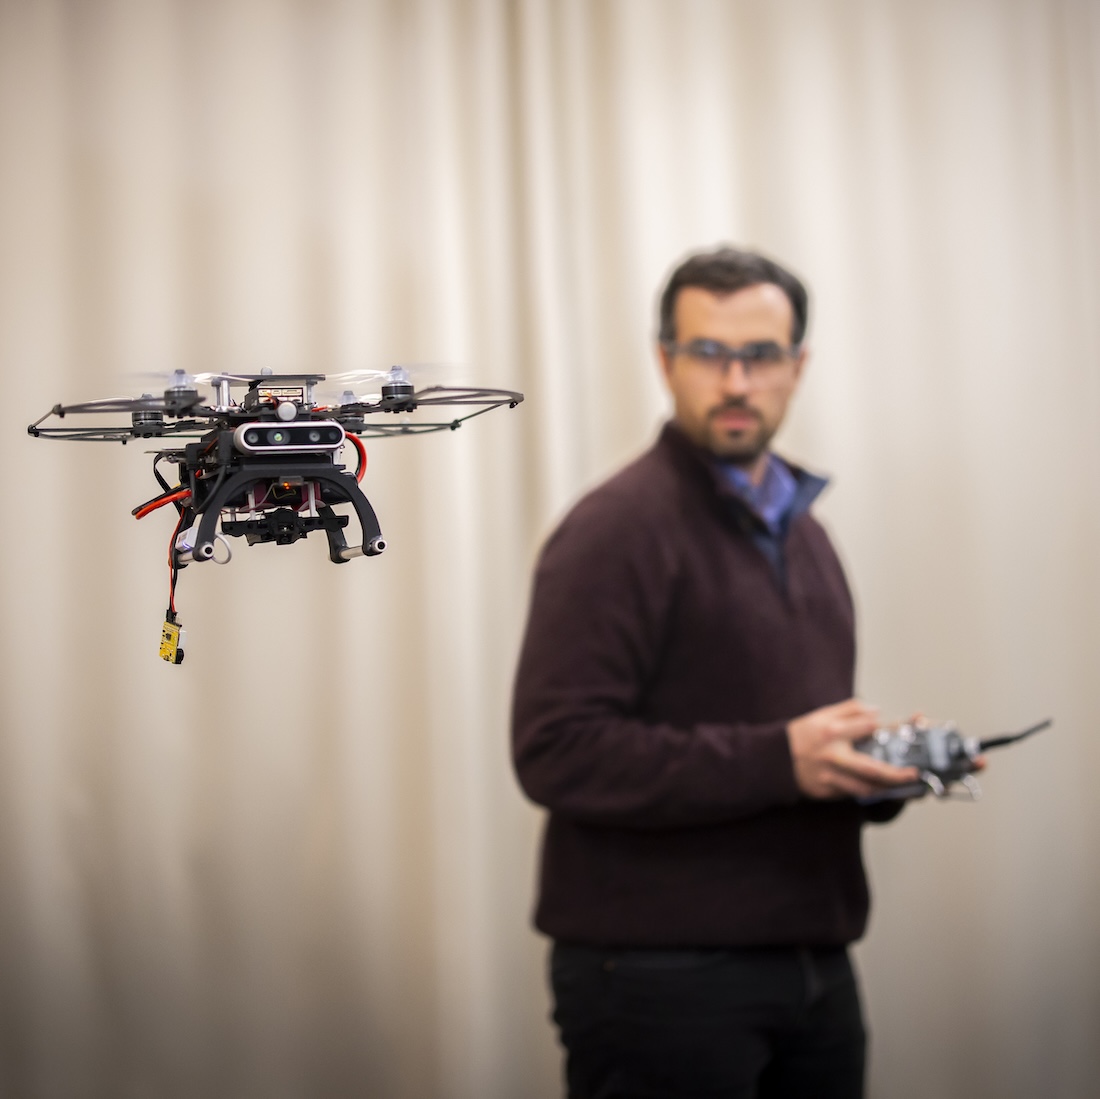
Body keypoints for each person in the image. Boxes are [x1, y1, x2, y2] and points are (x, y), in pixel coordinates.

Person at [511, 245, 922, 1099]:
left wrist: (870, 768)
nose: (735, 381)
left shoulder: (807, 533)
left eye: (761, 355)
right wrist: (783, 758)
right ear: (666, 360)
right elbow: (557, 751)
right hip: (660, 983)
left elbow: (782, 734)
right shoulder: (615, 529)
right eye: (708, 352)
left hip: (814, 964)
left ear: (797, 367)